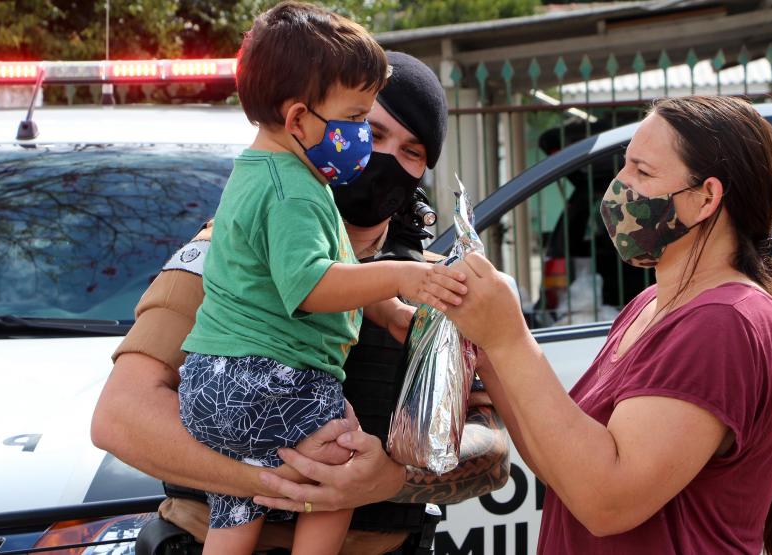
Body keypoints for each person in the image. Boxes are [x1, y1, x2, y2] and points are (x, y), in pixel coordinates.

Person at [258, 96, 772, 555]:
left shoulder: (723, 323)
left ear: (706, 199)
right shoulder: (652, 306)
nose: (617, 185)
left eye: (641, 171)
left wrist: (510, 336)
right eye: (625, 163)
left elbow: (606, 500)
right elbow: (559, 463)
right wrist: (482, 345)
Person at [90, 47, 509, 555]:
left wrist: (388, 478)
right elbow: (120, 417)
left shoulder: (430, 281)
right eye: (371, 132)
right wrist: (276, 479)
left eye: (413, 151)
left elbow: (494, 452)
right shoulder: (226, 249)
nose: (386, 160)